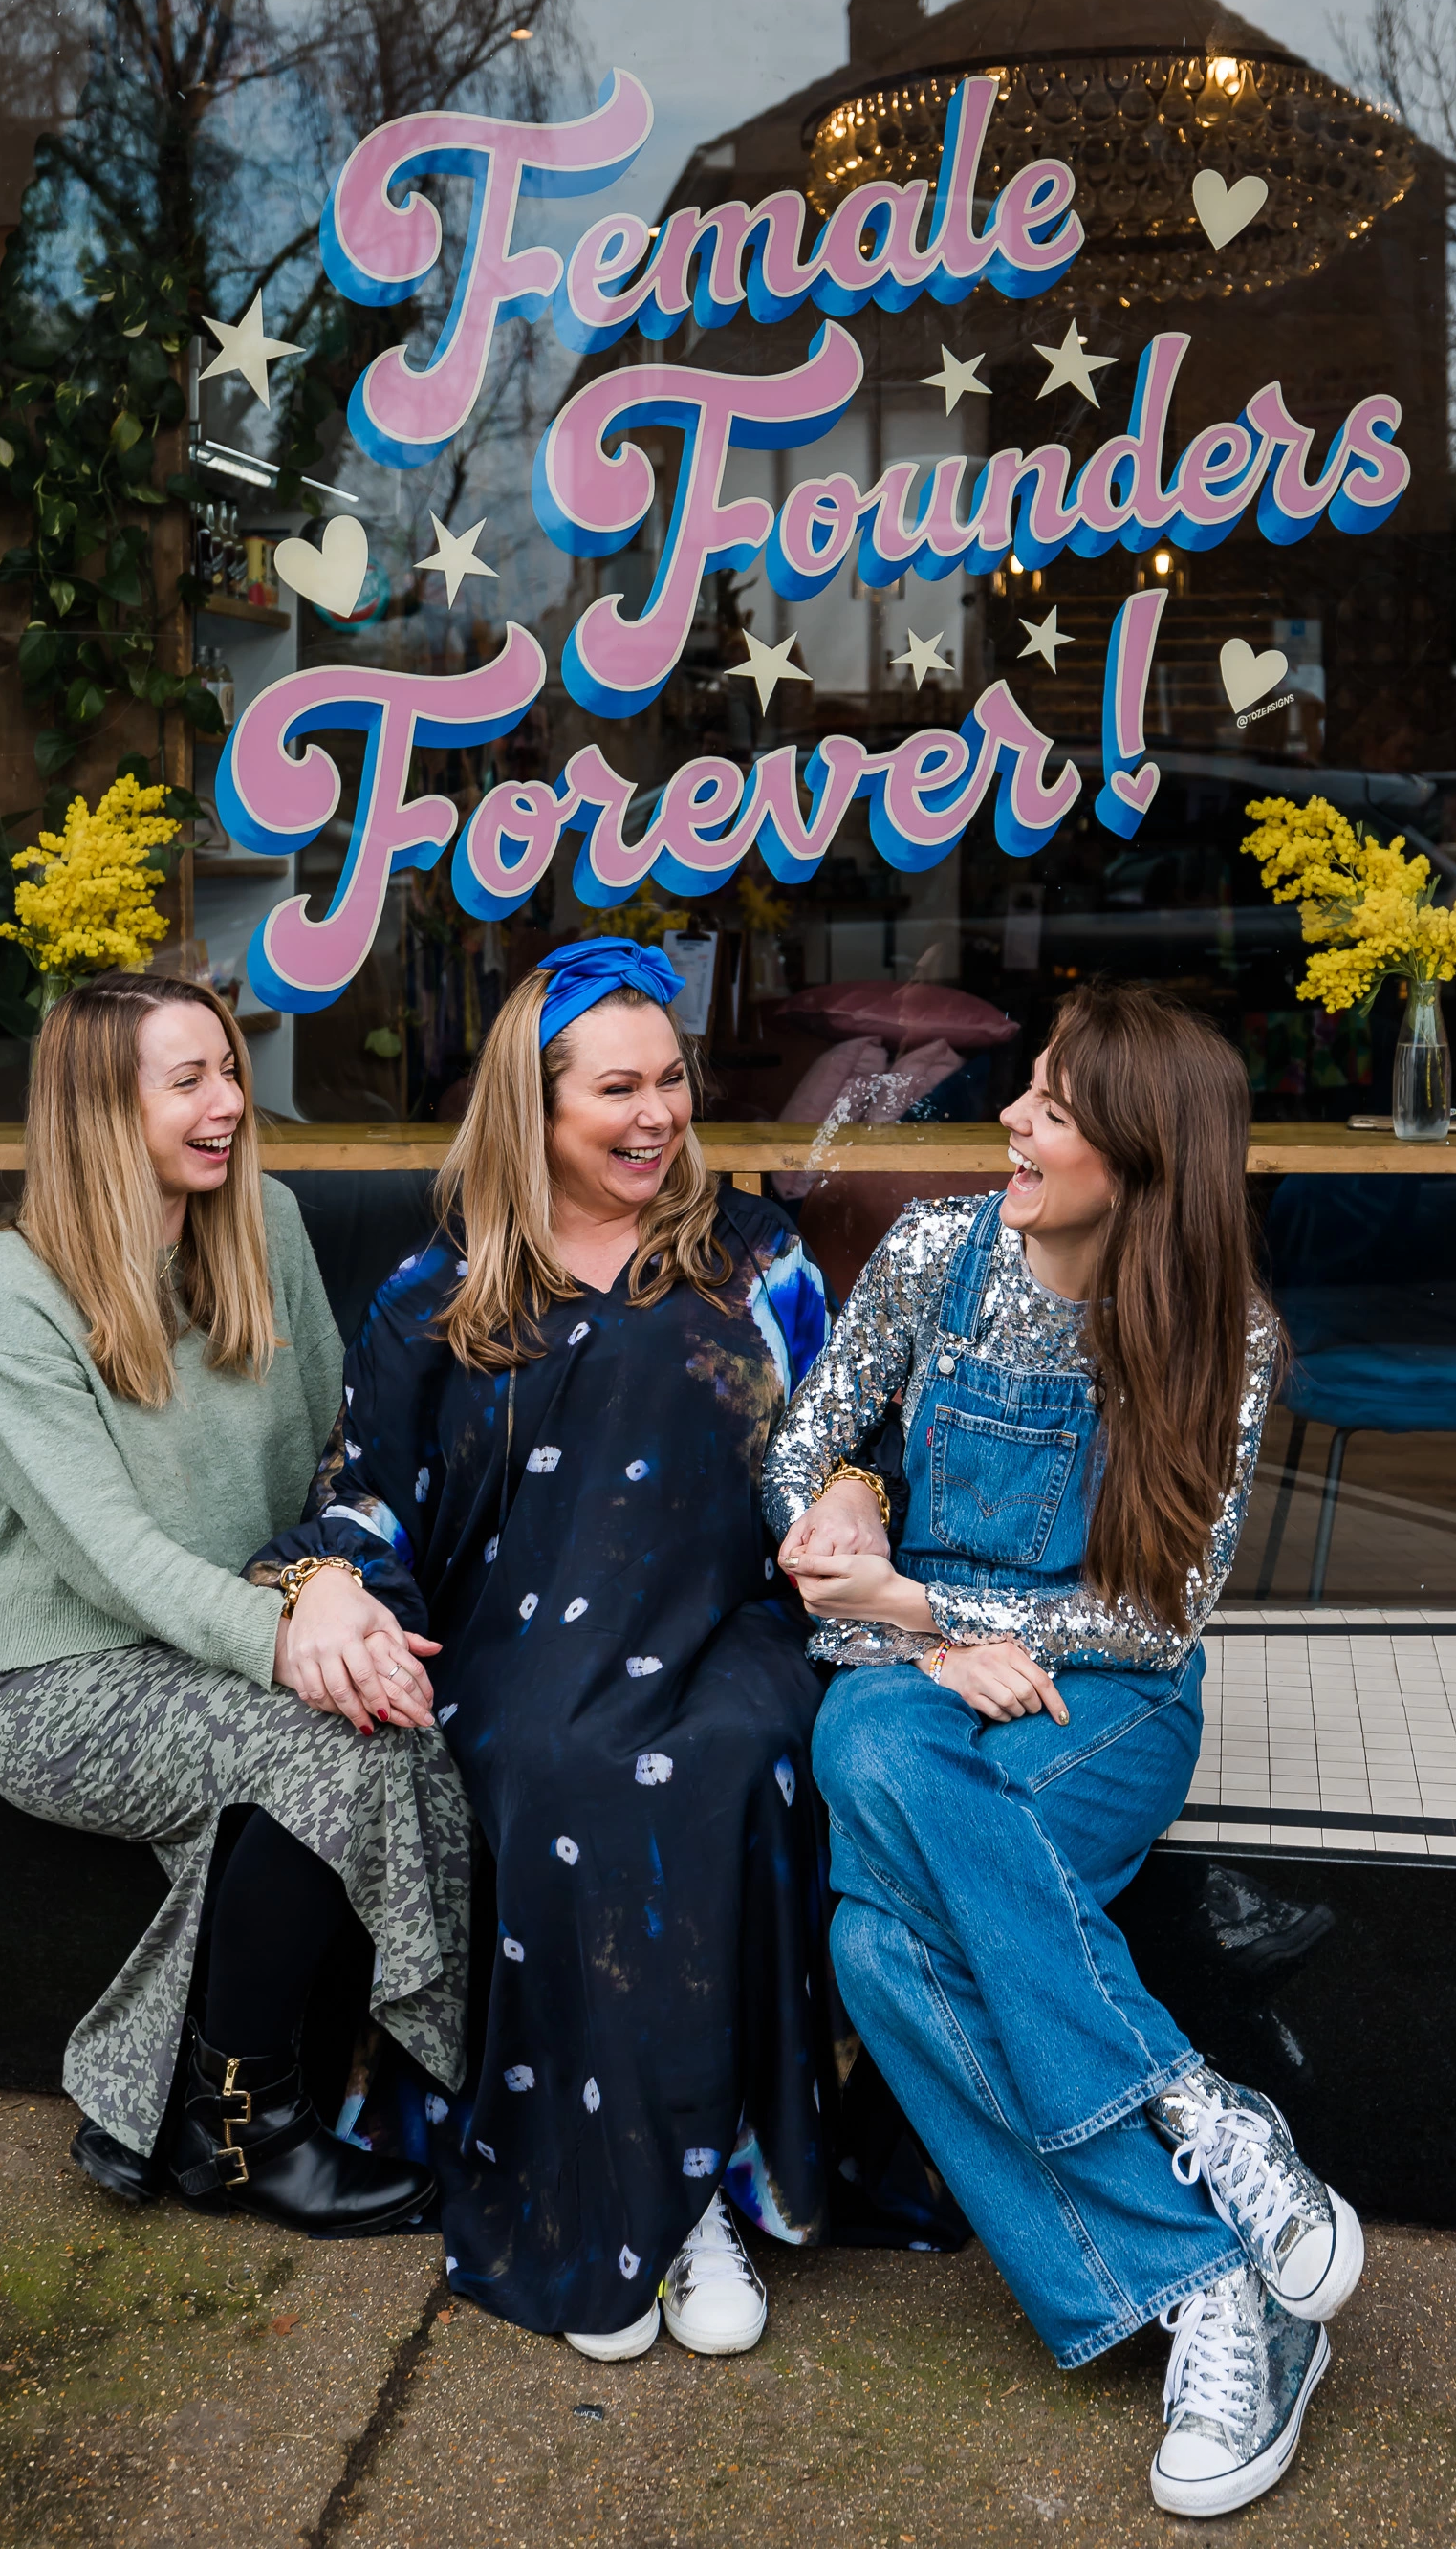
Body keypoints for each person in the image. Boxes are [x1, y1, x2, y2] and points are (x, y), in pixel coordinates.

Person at [258, 938, 946, 2361]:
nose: (656, 1118)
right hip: (522, 1646)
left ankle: (702, 2196)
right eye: (616, 1090)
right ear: (535, 1104)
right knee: (572, 1776)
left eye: (674, 1084)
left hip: (731, 1631)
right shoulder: (433, 1293)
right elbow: (362, 1491)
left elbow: (842, 1446)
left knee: (732, 1770)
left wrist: (849, 1504)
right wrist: (325, 1588)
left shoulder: (756, 1259)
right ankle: (648, 2204)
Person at [765, 977, 1364, 2519]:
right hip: (918, 1676)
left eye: (1052, 1106)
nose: (1013, 1122)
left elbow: (1160, 1613)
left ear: (1144, 1160)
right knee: (880, 1767)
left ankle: (1191, 2218)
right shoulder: (932, 1254)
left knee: (881, 1933)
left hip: (1109, 1703)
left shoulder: (1222, 1334)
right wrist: (846, 1499)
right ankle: (1209, 2203)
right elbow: (804, 1435)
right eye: (1026, 1089)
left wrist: (918, 1600)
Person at [0, 971, 470, 2237]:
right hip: (67, 1678)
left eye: (229, 1071)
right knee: (328, 1742)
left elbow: (339, 1454)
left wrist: (336, 1580)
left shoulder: (265, 1228)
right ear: (97, 1108)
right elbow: (109, 1555)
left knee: (401, 1708)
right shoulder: (12, 1293)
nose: (228, 1102)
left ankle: (194, 2110)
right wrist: (293, 1639)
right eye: (189, 1079)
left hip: (247, 1632)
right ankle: (249, 2130)